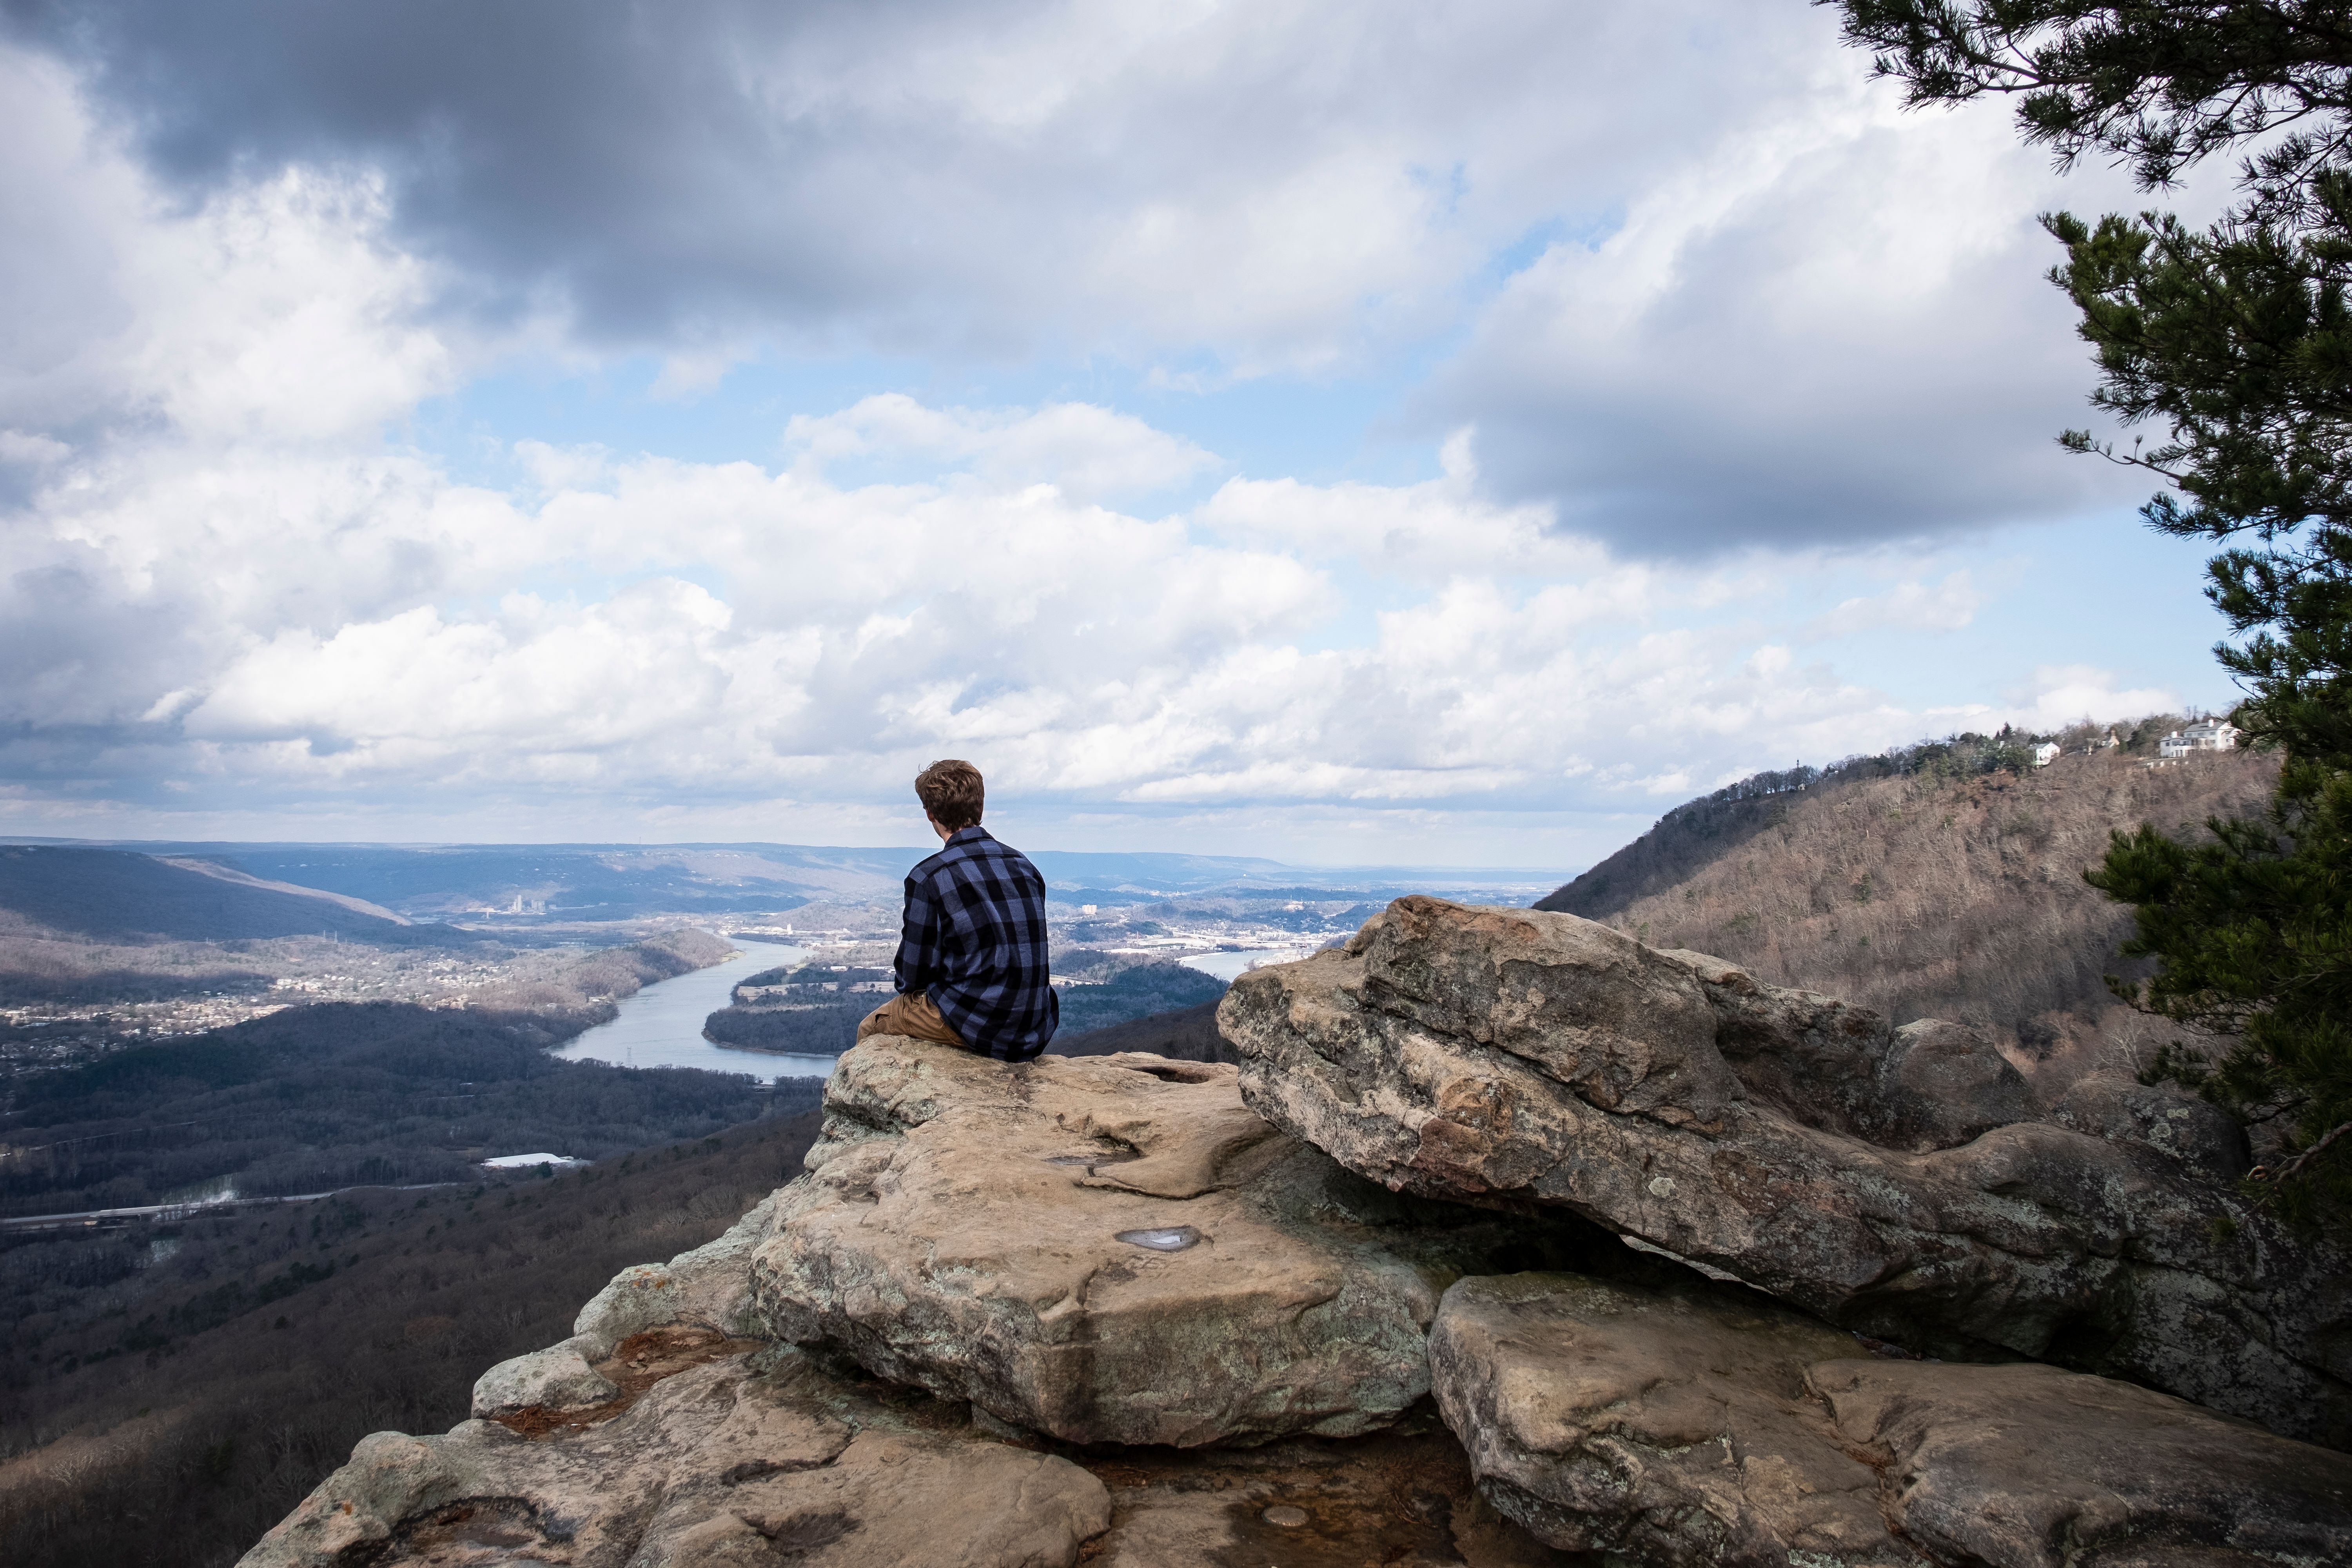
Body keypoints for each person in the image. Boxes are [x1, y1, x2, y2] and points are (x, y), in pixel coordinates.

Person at [856, 759, 1058, 1061]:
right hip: (1034, 1027)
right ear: (980, 807)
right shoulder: (1023, 866)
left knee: (872, 1028)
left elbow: (911, 977)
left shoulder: (930, 877)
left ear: (930, 814)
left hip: (978, 1024)